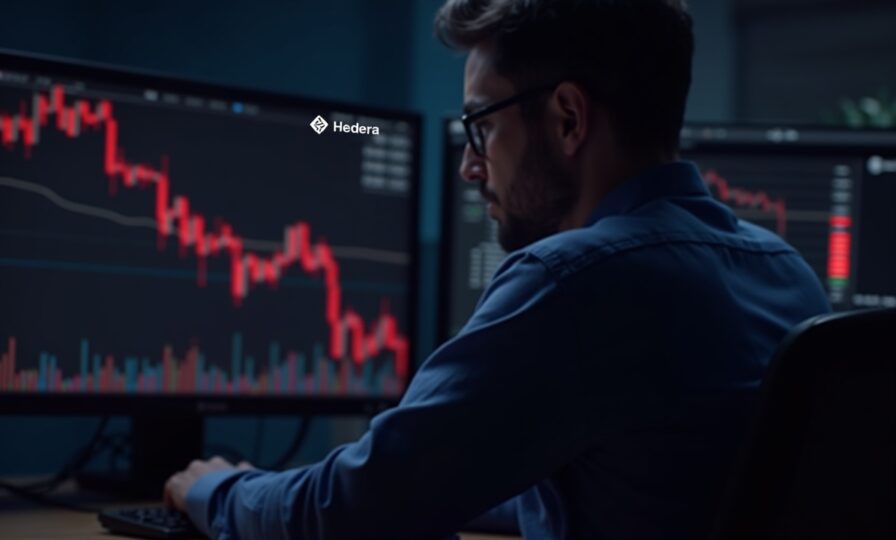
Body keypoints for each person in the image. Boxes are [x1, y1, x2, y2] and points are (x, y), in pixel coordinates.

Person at [163, 1, 831, 538]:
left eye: (481, 123)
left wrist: (217, 491)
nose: (469, 164)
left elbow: (352, 511)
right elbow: (633, 489)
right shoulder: (787, 274)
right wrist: (439, 483)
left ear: (569, 118)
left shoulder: (574, 279)